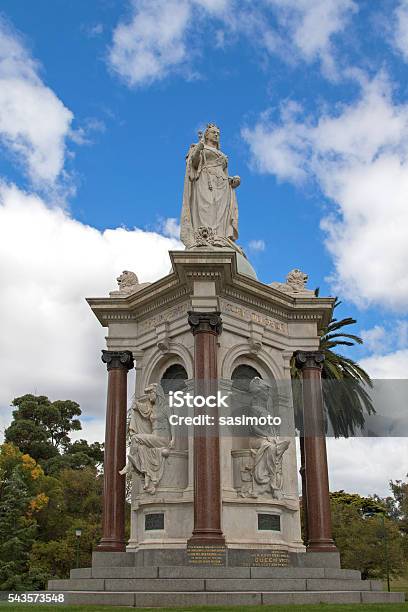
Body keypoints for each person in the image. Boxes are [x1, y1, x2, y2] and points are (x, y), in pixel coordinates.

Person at [180, 123, 243, 253]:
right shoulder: (199, 147)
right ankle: (204, 237)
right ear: (206, 135)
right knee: (207, 207)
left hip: (223, 185)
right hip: (205, 180)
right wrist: (199, 148)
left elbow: (225, 172)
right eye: (213, 132)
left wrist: (232, 180)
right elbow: (194, 163)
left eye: (218, 133)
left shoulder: (222, 154)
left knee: (220, 211)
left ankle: (220, 237)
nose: (216, 135)